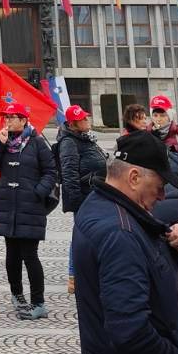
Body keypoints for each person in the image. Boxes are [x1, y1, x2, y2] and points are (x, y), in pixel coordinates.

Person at [71, 130, 178, 354]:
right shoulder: (120, 232)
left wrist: (169, 239)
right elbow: (131, 332)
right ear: (134, 177)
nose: (163, 196)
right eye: (160, 185)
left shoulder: (98, 204)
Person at [0, 101, 56, 320]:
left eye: (12, 117)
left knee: (30, 255)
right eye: (6, 117)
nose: (7, 121)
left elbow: (51, 171)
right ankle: (17, 294)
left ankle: (39, 302)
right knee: (12, 254)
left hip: (30, 207)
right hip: (8, 206)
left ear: (24, 120)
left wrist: (37, 192)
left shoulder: (37, 143)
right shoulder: (5, 142)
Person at [56, 102, 108, 295]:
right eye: (82, 119)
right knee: (80, 236)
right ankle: (74, 277)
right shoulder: (69, 142)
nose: (87, 120)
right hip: (84, 197)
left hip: (95, 194)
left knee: (90, 235)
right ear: (73, 124)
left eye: (86, 117)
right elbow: (69, 174)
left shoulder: (87, 139)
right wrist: (77, 202)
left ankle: (88, 274)